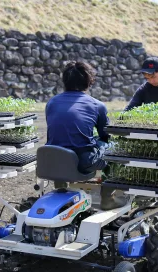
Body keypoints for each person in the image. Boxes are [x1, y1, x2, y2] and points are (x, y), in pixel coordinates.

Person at [45, 61, 128, 210]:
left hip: (53, 160)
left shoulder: (52, 103)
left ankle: (61, 190)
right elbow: (105, 136)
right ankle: (107, 198)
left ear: (64, 81)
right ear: (89, 81)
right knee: (115, 146)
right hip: (82, 162)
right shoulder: (96, 105)